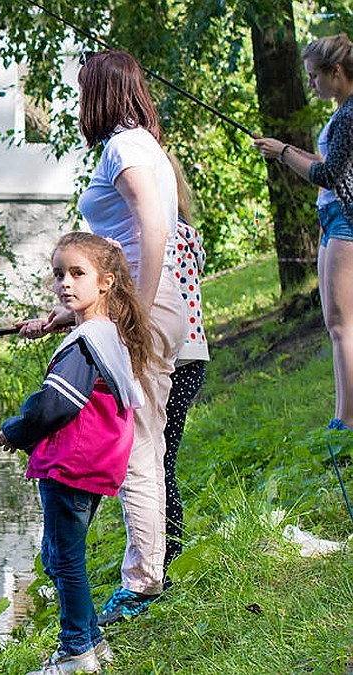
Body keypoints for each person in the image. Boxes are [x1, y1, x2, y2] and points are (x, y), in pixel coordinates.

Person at [19, 49, 188, 625]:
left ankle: (142, 584)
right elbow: (114, 251)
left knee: (139, 449)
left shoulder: (125, 145)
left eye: (83, 85)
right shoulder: (142, 144)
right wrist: (61, 317)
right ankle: (142, 573)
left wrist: (135, 307)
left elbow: (154, 227)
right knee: (145, 445)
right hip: (135, 305)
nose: (77, 96)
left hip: (143, 306)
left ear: (103, 89)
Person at [0, 232, 153, 674]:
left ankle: (74, 653)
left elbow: (53, 405)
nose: (65, 283)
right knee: (58, 555)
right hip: (92, 465)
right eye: (59, 274)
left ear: (105, 282)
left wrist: (15, 430)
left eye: (77, 274)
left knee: (64, 559)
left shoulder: (86, 345)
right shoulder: (106, 333)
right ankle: (92, 640)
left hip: (71, 464)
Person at [253, 34, 353, 432]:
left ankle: (346, 421)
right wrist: (288, 151)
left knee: (344, 325)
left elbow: (327, 174)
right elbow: (325, 165)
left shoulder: (349, 115)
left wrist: (282, 152)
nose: (310, 84)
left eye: (314, 77)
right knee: (334, 324)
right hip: (331, 220)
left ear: (337, 71)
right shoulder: (339, 113)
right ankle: (342, 414)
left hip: (346, 220)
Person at [163, 157, 210, 578]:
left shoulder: (164, 238)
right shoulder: (190, 235)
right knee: (163, 459)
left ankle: (170, 553)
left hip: (177, 358)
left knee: (159, 461)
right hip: (192, 359)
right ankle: (167, 551)